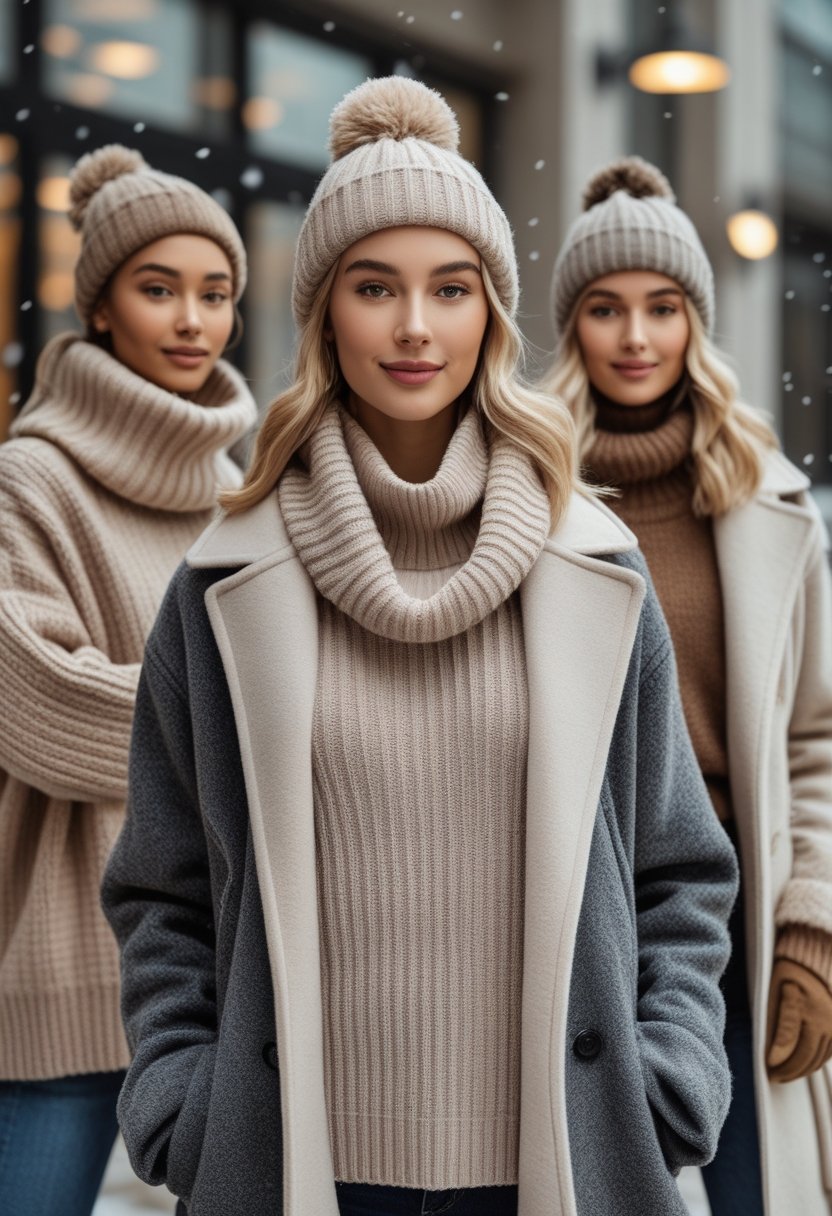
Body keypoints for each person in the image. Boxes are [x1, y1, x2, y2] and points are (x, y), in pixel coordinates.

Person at [102, 80, 737, 1216]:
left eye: (449, 290)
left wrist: (667, 1077)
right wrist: (184, 1102)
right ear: (324, 314)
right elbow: (163, 887)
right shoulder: (221, 579)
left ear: (490, 313)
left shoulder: (592, 565)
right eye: (374, 287)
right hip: (296, 1157)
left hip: (560, 1154)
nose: (412, 328)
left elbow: (680, 869)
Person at [542, 155, 832, 1216]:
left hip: (742, 912)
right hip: (583, 902)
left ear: (693, 324)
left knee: (759, 1193)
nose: (633, 337)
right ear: (571, 325)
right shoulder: (526, 494)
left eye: (661, 308)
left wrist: (810, 922)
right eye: (606, 308)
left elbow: (816, 737)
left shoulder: (768, 505)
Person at [0, 145, 257, 1216]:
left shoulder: (238, 491)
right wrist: (244, 719)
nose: (192, 320)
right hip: (57, 964)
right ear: (101, 308)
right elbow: (36, 707)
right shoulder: (33, 476)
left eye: (216, 293)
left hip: (207, 967)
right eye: (159, 290)